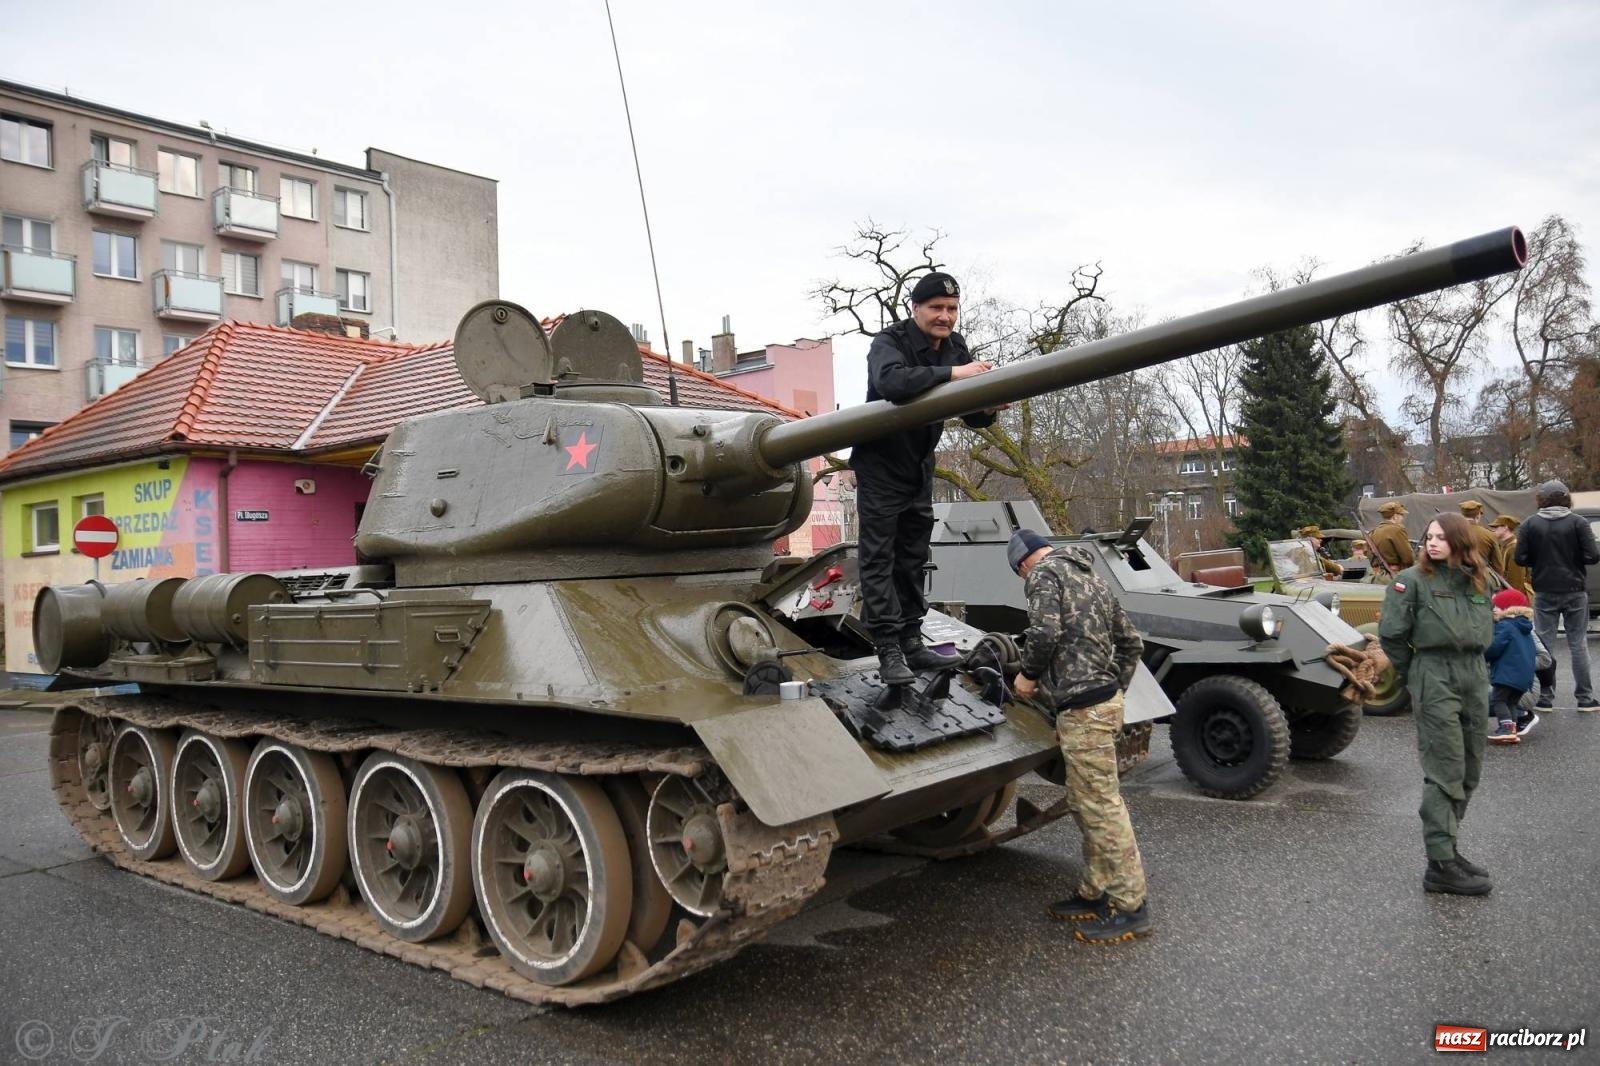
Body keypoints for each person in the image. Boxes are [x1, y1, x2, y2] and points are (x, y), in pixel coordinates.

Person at [849, 271, 1000, 685]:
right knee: (880, 558)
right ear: (916, 309)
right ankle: (888, 649)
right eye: (936, 308)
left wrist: (990, 405)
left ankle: (912, 640)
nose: (945, 317)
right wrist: (955, 375)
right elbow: (891, 383)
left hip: (918, 464)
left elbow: (971, 414)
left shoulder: (955, 348)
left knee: (913, 557)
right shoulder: (889, 343)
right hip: (880, 463)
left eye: (951, 309)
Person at [1007, 528, 1152, 943]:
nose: (1024, 580)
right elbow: (1131, 644)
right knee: (1085, 800)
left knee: (1101, 806)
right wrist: (1113, 689)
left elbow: (1045, 633)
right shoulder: (1094, 578)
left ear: (1023, 563)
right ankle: (1095, 891)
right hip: (1101, 704)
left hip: (1084, 709)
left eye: (1020, 574)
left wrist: (1028, 677)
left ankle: (1131, 906)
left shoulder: (1043, 576)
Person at [1377, 512, 1495, 896]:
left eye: (1442, 537)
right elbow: (1393, 636)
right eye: (1429, 537)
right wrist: (1417, 674)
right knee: (1444, 769)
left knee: (1469, 769)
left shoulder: (1479, 580)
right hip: (1434, 673)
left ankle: (1450, 848)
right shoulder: (1410, 581)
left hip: (1473, 674)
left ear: (1460, 541)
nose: (1432, 543)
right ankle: (1439, 863)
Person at [1514, 480, 1600, 711]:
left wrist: (1540, 561)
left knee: (1544, 645)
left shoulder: (1530, 524)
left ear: (1541, 500)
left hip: (1544, 590)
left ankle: (1545, 697)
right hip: (1574, 589)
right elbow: (1593, 556)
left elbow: (1520, 559)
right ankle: (1585, 698)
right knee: (1578, 644)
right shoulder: (1578, 522)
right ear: (1566, 499)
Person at [1485, 588, 1537, 744]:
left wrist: (1483, 654)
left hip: (1507, 673)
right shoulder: (1525, 628)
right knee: (1511, 702)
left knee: (1498, 700)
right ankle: (1513, 729)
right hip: (1524, 677)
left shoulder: (1505, 626)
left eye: (1497, 606)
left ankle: (1506, 728)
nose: (1494, 609)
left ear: (1507, 609)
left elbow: (1495, 647)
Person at [1459, 500, 1504, 580]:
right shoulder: (1489, 535)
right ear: (1478, 516)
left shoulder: (1451, 532)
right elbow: (1498, 566)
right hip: (1481, 579)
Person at [1491, 514, 1533, 599]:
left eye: (1496, 527)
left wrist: (1512, 599)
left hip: (1514, 596)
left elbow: (1516, 580)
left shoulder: (1513, 548)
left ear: (1505, 528)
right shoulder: (1506, 546)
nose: (1493, 530)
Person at [1370, 501, 1415, 575]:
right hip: (1393, 575)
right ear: (1395, 516)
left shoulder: (1374, 531)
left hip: (1377, 575)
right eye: (1401, 515)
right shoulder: (1397, 529)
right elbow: (1408, 559)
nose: (1402, 518)